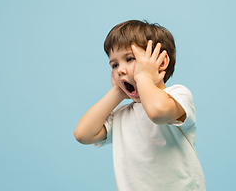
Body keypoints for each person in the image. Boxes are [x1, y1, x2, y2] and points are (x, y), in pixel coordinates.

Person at [74, 20, 205, 191]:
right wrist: (117, 92)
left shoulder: (177, 95)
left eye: (129, 59)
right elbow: (83, 134)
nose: (120, 69)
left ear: (161, 63)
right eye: (115, 65)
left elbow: (157, 112)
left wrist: (143, 77)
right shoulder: (122, 115)